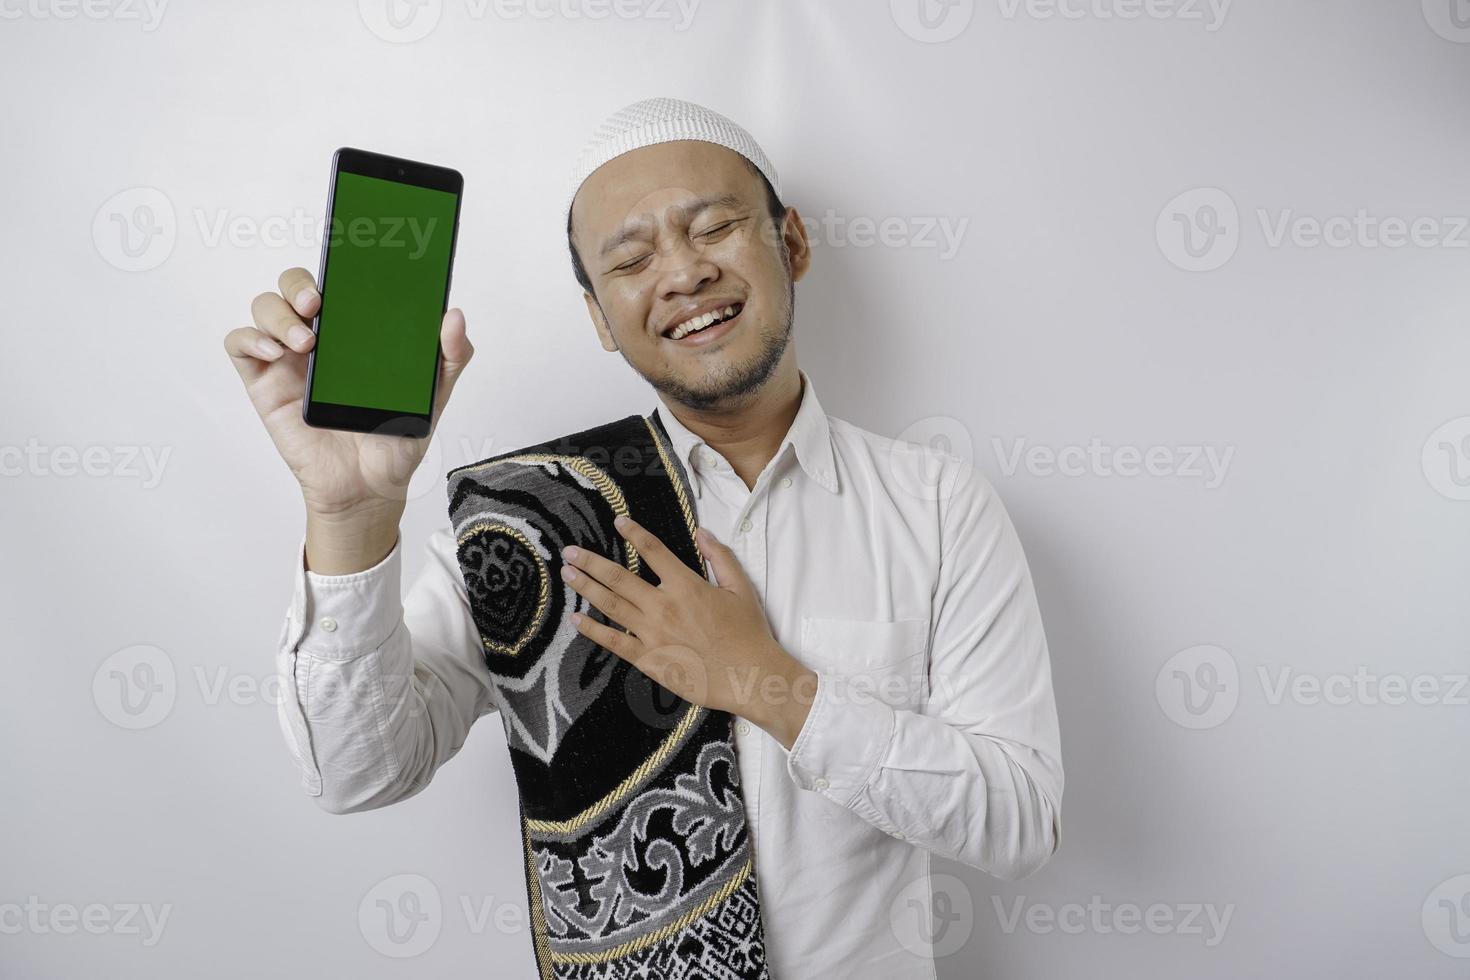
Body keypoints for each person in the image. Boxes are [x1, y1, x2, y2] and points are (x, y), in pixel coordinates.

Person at [224, 96, 1064, 979]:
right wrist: (350, 515)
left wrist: (765, 681)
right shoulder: (526, 523)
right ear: (597, 315)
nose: (683, 274)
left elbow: (1020, 822)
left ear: (794, 243)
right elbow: (357, 772)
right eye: (631, 259)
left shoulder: (936, 505)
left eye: (715, 227)